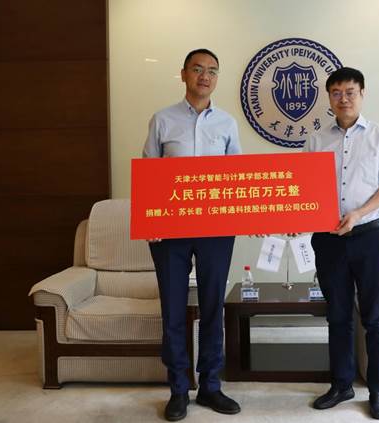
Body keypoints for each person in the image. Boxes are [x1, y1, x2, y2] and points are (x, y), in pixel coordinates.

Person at [304, 67, 379, 419]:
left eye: (350, 92)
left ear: (362, 94)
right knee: (337, 315)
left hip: (371, 237)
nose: (343, 99)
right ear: (329, 98)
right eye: (336, 93)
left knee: (375, 316)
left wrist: (359, 212)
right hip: (329, 240)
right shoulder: (316, 140)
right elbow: (304, 190)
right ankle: (341, 384)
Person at [142, 48, 242, 421]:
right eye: (197, 69)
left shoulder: (228, 124)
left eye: (212, 71)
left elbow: (237, 179)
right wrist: (150, 222)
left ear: (217, 78)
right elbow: (148, 174)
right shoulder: (162, 120)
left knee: (213, 306)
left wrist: (250, 216)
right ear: (183, 74)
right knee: (173, 309)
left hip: (217, 230)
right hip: (170, 232)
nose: (205, 76)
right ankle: (178, 389)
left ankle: (211, 386)